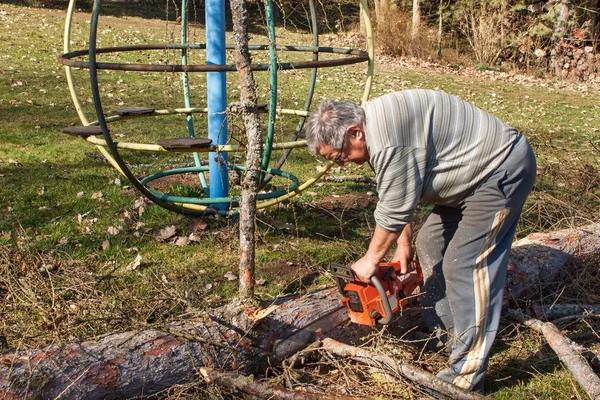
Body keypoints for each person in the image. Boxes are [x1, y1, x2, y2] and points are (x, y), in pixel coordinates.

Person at [304, 89, 536, 393]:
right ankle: (453, 337)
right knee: (430, 243)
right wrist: (403, 246)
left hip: (499, 172)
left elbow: (395, 208)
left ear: (354, 132)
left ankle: (466, 378)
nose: (343, 164)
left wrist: (371, 259)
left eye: (341, 155)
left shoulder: (388, 140)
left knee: (465, 265)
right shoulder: (374, 130)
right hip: (470, 182)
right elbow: (395, 194)